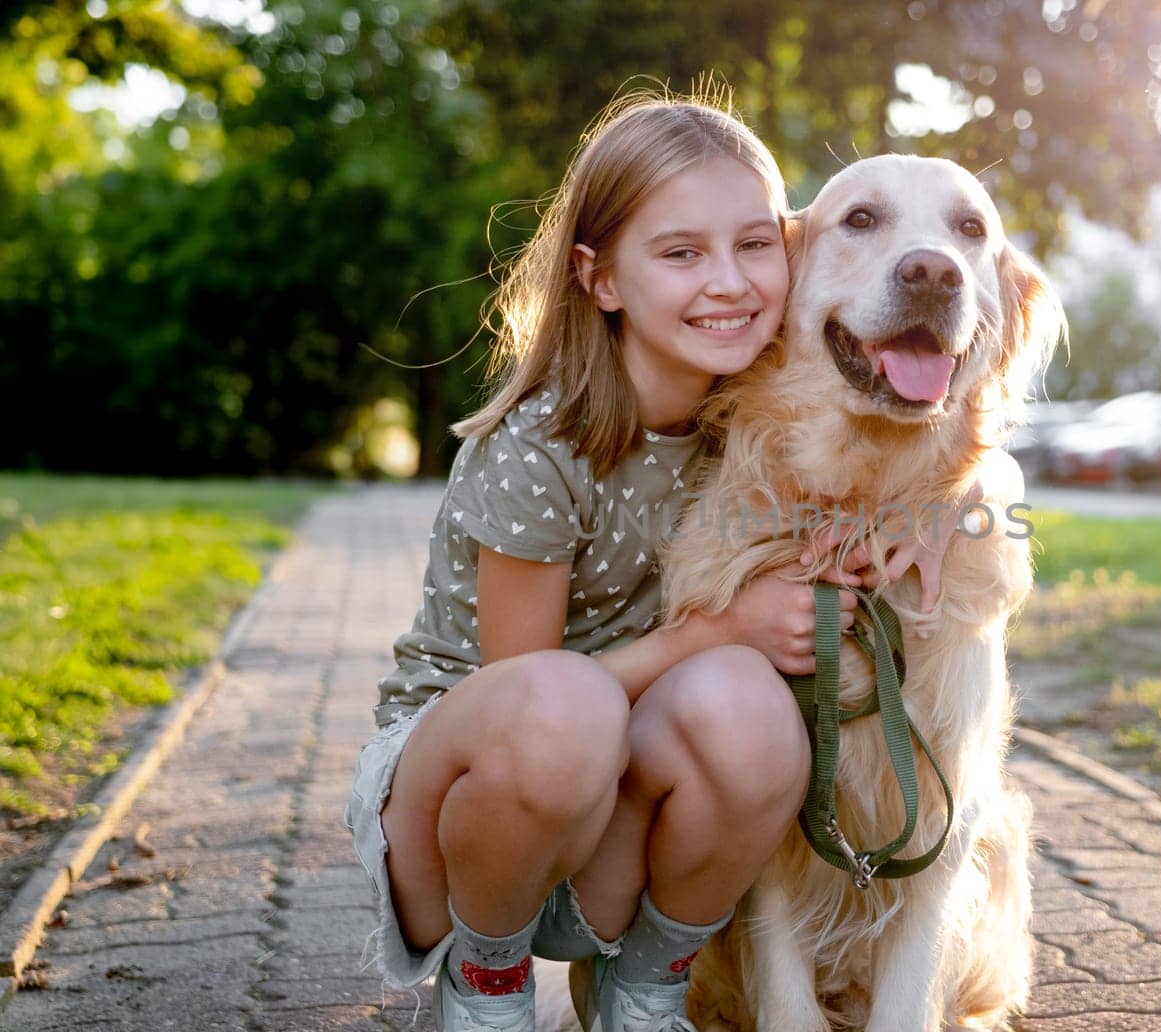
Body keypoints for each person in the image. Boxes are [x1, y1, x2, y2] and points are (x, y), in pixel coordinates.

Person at [345, 91, 964, 1032]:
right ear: (600, 280)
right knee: (576, 704)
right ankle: (486, 985)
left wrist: (945, 517)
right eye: (680, 254)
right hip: (468, 819)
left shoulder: (753, 434)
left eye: (755, 246)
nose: (727, 282)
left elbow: (918, 462)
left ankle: (648, 988)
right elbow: (528, 698)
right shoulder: (538, 447)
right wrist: (723, 630)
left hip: (613, 809)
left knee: (753, 714)